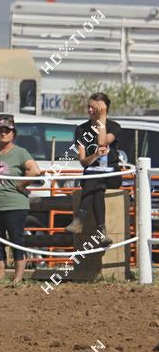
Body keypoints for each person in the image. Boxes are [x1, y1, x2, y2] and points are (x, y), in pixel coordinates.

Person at [0, 114, 41, 283]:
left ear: (13, 133)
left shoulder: (20, 152)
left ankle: (17, 278)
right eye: (0, 131)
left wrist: (20, 185)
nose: (3, 133)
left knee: (16, 240)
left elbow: (35, 171)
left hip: (15, 205)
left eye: (7, 130)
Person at [67, 92, 121, 247]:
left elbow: (103, 142)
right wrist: (95, 155)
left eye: (94, 107)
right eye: (89, 107)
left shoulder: (114, 126)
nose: (90, 110)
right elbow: (83, 162)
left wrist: (102, 118)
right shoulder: (81, 129)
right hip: (93, 175)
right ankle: (102, 232)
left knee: (95, 180)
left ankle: (79, 219)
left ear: (104, 108)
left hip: (112, 173)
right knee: (97, 189)